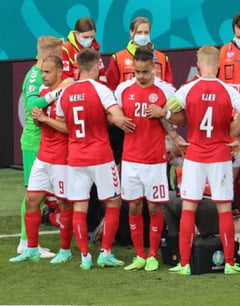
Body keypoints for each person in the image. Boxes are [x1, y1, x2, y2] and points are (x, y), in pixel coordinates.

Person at [157, 46, 240, 275]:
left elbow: (163, 112)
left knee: (189, 208)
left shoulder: (187, 89)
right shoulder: (228, 90)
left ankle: (184, 264)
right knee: (224, 210)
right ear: (218, 64)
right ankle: (229, 262)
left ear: (198, 64)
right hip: (220, 154)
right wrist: (239, 140)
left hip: (195, 154)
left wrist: (174, 135)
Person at [56, 48, 136, 270]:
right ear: (95, 65)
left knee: (80, 205)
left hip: (76, 157)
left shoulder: (65, 93)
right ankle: (105, 252)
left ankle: (84, 257)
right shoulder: (101, 90)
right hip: (100, 155)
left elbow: (64, 123)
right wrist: (118, 119)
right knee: (113, 201)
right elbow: (117, 115)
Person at [114, 47, 177, 271]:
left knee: (153, 208)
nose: (140, 76)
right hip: (130, 159)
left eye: (144, 71)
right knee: (134, 206)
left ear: (153, 66)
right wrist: (118, 119)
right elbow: (111, 113)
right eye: (137, 72)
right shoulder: (122, 89)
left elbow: (180, 117)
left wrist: (164, 114)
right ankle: (139, 255)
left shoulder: (165, 91)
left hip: (155, 160)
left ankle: (152, 254)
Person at [10, 55, 72, 264]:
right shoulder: (44, 94)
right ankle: (31, 249)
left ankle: (65, 250)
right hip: (43, 155)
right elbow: (37, 123)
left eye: (47, 72)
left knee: (64, 203)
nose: (43, 76)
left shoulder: (66, 95)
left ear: (58, 72)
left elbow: (68, 129)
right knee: (32, 199)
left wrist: (44, 118)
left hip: (61, 158)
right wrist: (39, 119)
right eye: (43, 72)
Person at [17, 35, 64, 258]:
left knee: (39, 194)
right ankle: (26, 242)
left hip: (40, 140)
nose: (62, 57)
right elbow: (33, 104)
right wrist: (57, 93)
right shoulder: (35, 76)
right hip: (34, 141)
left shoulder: (38, 74)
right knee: (33, 194)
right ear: (49, 55)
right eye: (60, 53)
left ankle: (28, 242)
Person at [107, 16, 173, 90]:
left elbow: (168, 87)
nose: (143, 36)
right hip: (128, 100)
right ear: (131, 32)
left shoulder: (162, 58)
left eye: (146, 32)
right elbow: (111, 87)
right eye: (139, 32)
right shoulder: (118, 58)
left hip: (156, 99)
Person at [62, 17, 106, 83]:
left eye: (92, 37)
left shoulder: (94, 47)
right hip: (72, 89)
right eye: (85, 37)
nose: (89, 40)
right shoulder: (66, 49)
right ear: (76, 33)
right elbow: (65, 76)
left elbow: (101, 73)